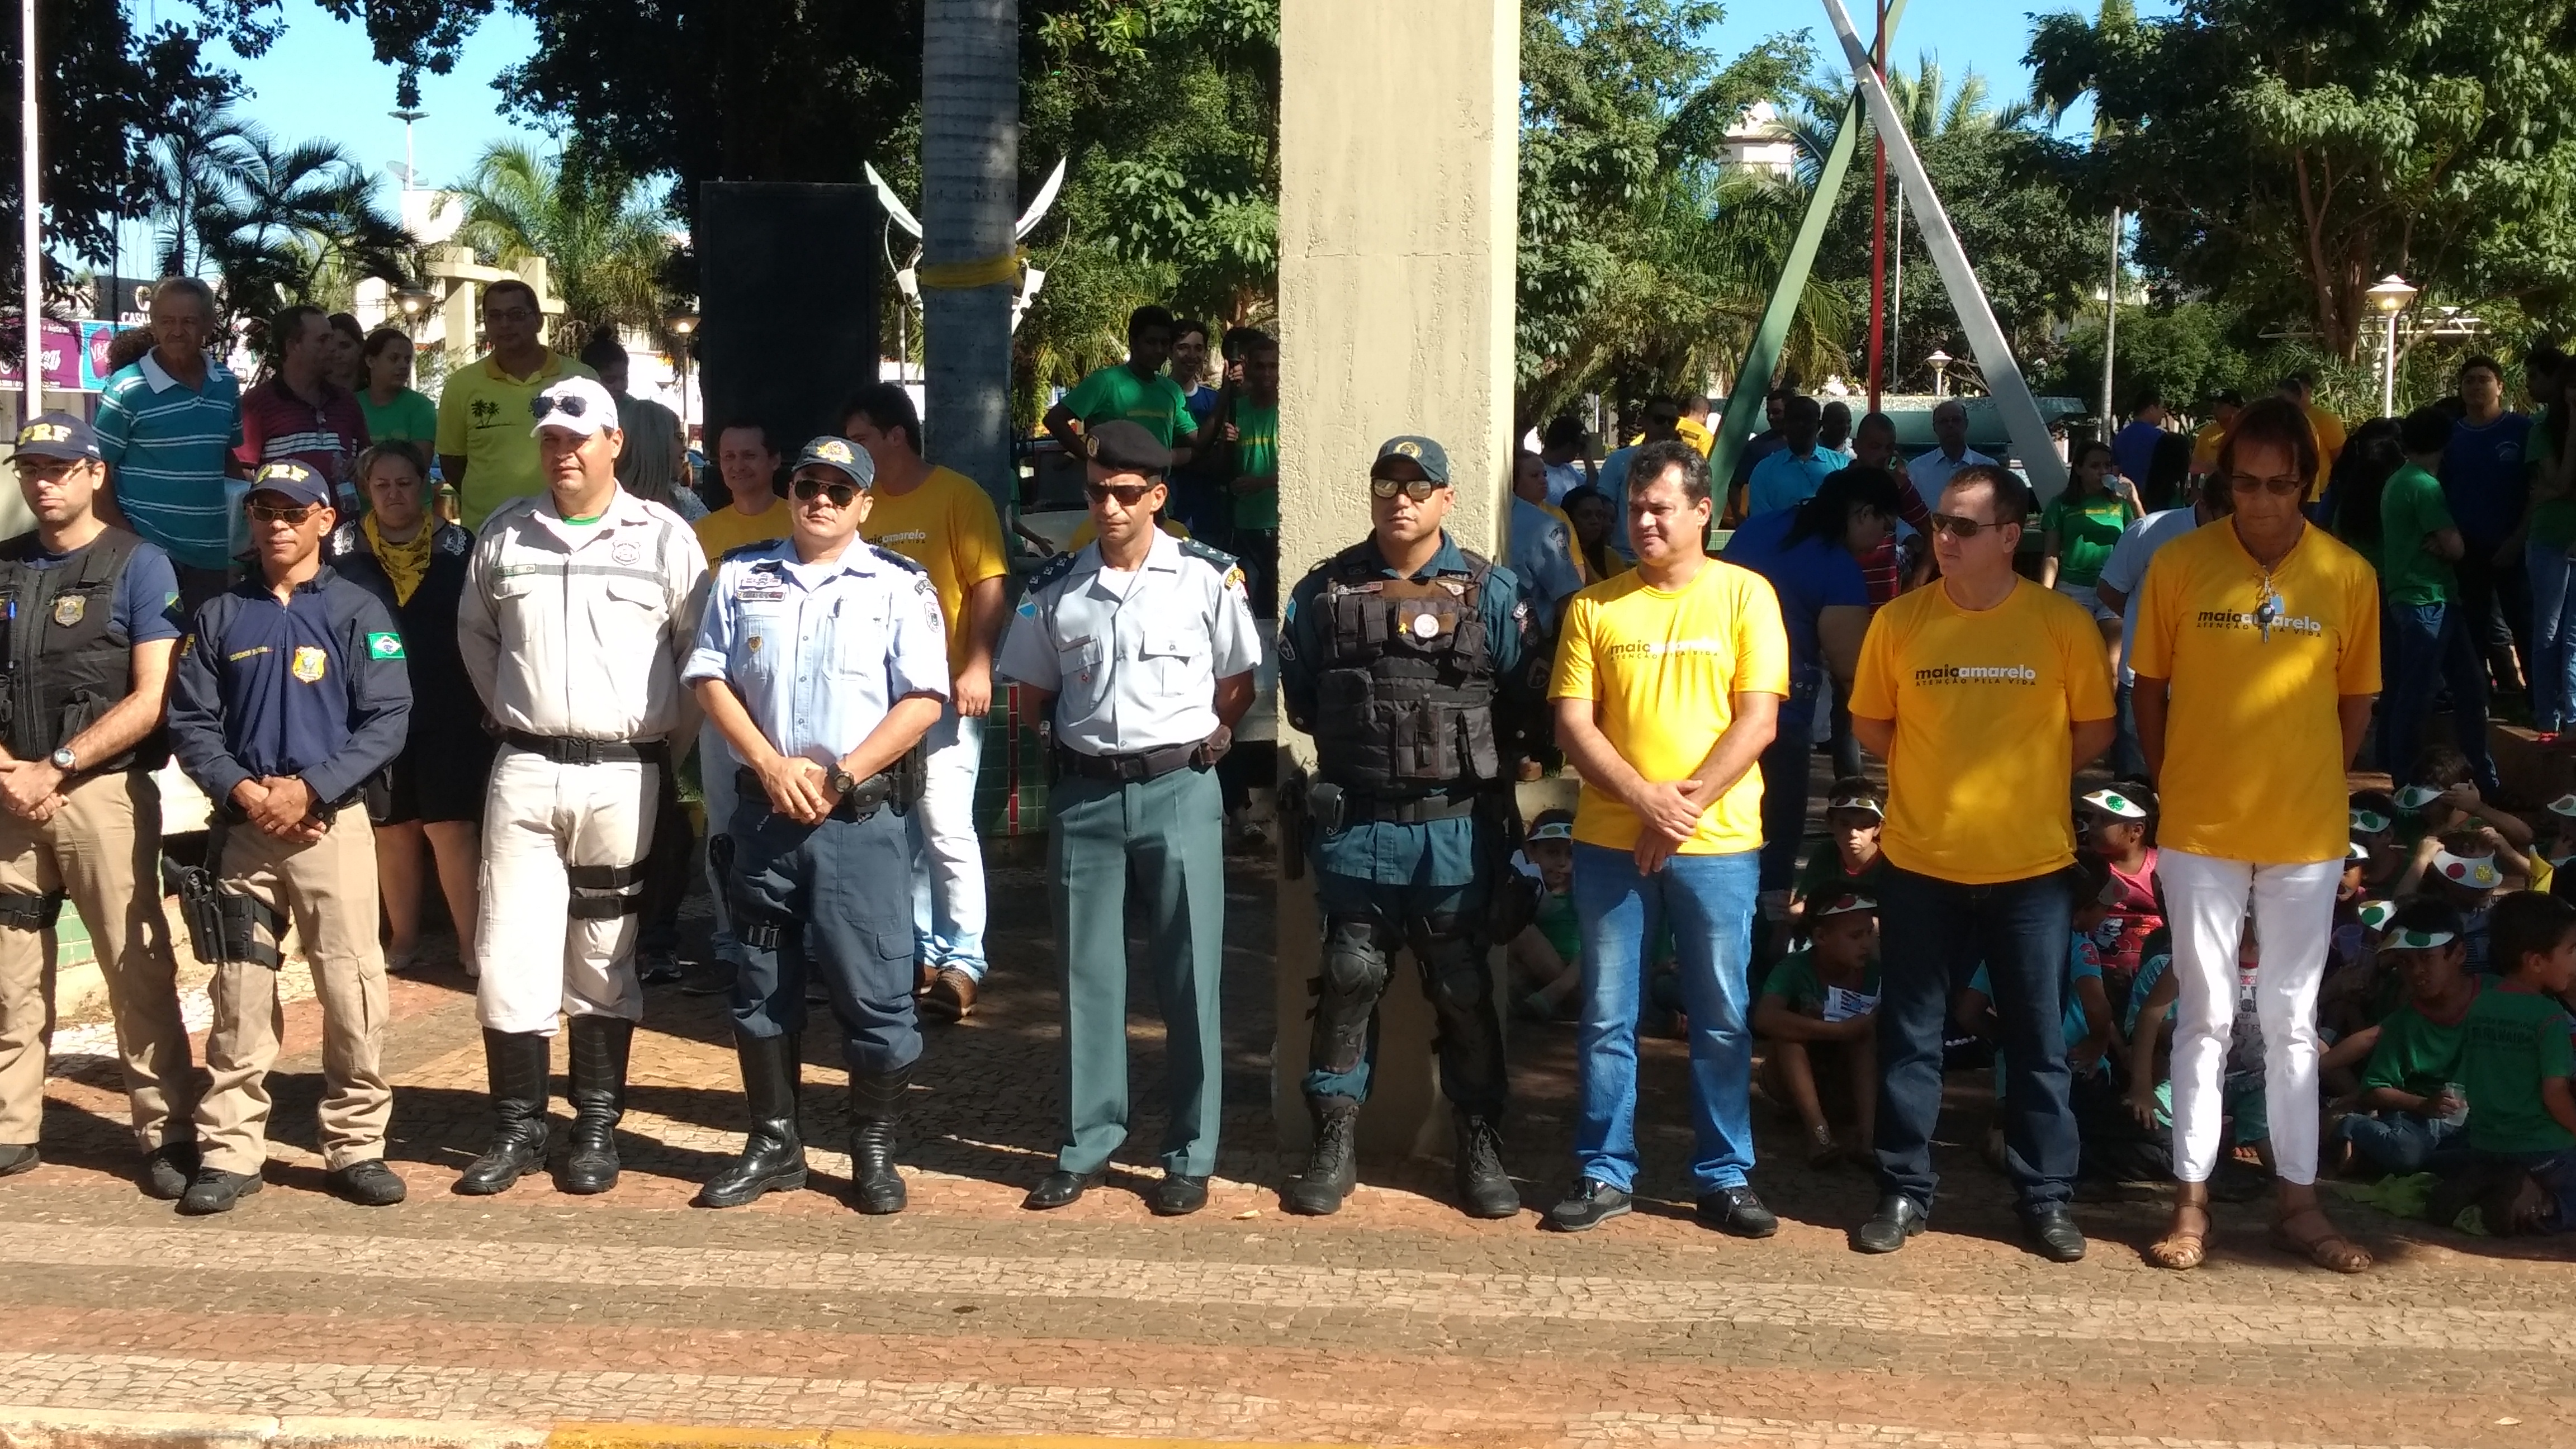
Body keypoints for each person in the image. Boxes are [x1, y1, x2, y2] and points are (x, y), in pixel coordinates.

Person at [2130, 395, 2381, 1274]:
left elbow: (2357, 700)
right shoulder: (2180, 564)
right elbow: (2148, 688)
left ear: (2309, 484)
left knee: (2290, 1017)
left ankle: (2298, 1204)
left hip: (2306, 832)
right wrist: (2173, 781)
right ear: (2222, 481)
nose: (2263, 502)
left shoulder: (2349, 574)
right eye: (2246, 483)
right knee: (2204, 1014)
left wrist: (2312, 774)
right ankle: (2190, 1204)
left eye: (2281, 485)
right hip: (2200, 826)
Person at [1847, 463, 2116, 1262]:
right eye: (1939, 523)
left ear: (2009, 536)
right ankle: (1903, 1188)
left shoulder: (2060, 624)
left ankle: (2046, 1196)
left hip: (2031, 870)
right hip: (1920, 863)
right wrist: (1940, 776)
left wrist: (2025, 780)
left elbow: (2094, 731)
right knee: (1911, 1036)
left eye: (1963, 526)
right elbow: (1872, 725)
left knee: (2035, 1039)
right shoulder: (1899, 622)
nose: (1944, 538)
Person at [452, 374, 709, 1197]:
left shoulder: (665, 540)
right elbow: (477, 637)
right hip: (525, 767)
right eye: (551, 442)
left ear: (614, 443)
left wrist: (658, 750)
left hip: (625, 775)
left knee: (605, 952)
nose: (562, 454)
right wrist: (515, 711)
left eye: (577, 439)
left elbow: (696, 658)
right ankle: (517, 1130)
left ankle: (595, 1128)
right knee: (508, 951)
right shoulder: (505, 532)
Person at [996, 420, 1260, 1216]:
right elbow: (1032, 694)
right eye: (1096, 493)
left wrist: (1208, 744)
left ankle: (1191, 1153)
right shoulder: (1056, 588)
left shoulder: (1207, 578)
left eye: (1123, 494)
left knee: (1190, 975)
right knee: (1087, 978)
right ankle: (1087, 1143)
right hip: (1086, 795)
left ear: (1157, 496)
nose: (1107, 508)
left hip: (1180, 786)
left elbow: (1238, 683)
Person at [1276, 434, 1538, 1220]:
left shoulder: (1492, 593)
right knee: (1349, 979)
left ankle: (1479, 1141)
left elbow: (1525, 704)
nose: (1402, 500)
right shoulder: (1324, 592)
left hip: (1456, 831)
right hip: (1358, 826)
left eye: (1419, 487)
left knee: (1462, 987)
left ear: (1446, 499)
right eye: (1388, 484)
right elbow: (1303, 699)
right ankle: (1334, 1141)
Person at [686, 435, 949, 1212]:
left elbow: (923, 700)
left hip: (856, 825)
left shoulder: (899, 584)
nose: (822, 501)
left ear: (865, 503)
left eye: (840, 489)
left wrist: (842, 776)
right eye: (809, 486)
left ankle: (874, 1150)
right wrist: (769, 765)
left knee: (876, 993)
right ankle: (775, 1145)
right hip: (765, 817)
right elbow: (709, 675)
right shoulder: (742, 576)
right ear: (791, 491)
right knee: (760, 985)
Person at [1543, 439, 1788, 1237]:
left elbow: (1758, 720)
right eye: (1634, 509)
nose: (1643, 522)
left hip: (1719, 845)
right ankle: (1604, 1169)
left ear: (1702, 512)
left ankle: (1724, 1175)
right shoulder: (1595, 607)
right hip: (1611, 843)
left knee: (1721, 1016)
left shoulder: (1747, 596)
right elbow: (1574, 726)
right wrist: (1645, 801)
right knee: (1608, 1015)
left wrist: (1677, 812)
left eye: (1660, 509)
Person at [165, 460, 411, 1214]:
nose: (276, 524)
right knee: (239, 995)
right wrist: (244, 791)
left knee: (352, 989)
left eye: (293, 512)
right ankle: (230, 1150)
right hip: (246, 835)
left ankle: (356, 1145)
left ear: (325, 521)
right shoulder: (221, 614)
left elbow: (388, 719)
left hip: (330, 827)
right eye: (264, 511)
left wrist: (312, 789)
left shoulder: (358, 609)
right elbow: (191, 723)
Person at [0, 414, 200, 1195]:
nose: (43, 482)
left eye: (59, 468)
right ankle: (12, 1125)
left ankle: (166, 1131)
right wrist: (11, 772)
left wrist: (57, 767)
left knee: (133, 964)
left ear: (94, 475)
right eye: (31, 469)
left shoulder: (139, 565)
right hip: (11, 796)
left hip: (100, 793)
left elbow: (153, 697)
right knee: (10, 970)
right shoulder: (5, 565)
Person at [841, 383, 1012, 1022]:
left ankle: (963, 958)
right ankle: (917, 953)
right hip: (875, 705)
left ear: (896, 436)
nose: (854, 453)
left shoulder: (959, 496)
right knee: (898, 831)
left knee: (944, 825)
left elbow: (989, 584)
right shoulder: (859, 506)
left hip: (944, 698)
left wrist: (978, 665)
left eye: (861, 439)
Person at [325, 442, 492, 975]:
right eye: (382, 486)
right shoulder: (341, 549)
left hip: (450, 706)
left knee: (451, 828)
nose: (394, 495)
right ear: (366, 490)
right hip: (374, 712)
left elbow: (487, 623)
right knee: (393, 829)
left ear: (424, 485)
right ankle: (403, 939)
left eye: (404, 484)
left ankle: (472, 945)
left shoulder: (462, 547)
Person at [1721, 466, 1895, 912]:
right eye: (1885, 526)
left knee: (1719, 829)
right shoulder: (1837, 568)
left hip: (1714, 700)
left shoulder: (1758, 528)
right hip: (1781, 711)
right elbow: (1851, 666)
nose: (1882, 541)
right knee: (1776, 834)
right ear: (1864, 514)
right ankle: (1767, 934)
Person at [94, 278, 245, 605]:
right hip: (148, 556)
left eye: (189, 321)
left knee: (208, 638)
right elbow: (96, 473)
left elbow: (224, 457)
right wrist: (128, 541)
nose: (177, 331)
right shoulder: (126, 388)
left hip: (213, 561)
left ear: (208, 324)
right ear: (153, 323)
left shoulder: (226, 384)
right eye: (167, 321)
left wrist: (245, 532)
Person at [2435, 889, 2576, 1235]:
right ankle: (2537, 1207)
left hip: (2486, 1143)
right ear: (2536, 962)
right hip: (2544, 1149)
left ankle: (2485, 1188)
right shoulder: (2550, 1018)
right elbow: (2555, 1094)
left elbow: (2472, 1075)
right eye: (2571, 951)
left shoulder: (2481, 1006)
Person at [2379, 406, 2498, 793]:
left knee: (2463, 687)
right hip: (2426, 600)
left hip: (2424, 598)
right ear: (2444, 443)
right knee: (2423, 695)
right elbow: (2455, 547)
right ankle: (2409, 785)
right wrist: (2450, 543)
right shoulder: (2424, 486)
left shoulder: (2398, 480)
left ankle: (2477, 776)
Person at [2329, 898, 2476, 1178]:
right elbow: (2374, 1088)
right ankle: (2349, 1125)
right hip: (2417, 1115)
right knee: (2407, 1154)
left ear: (2458, 954)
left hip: (2477, 1119)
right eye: (2406, 962)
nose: (2416, 971)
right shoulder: (2404, 1022)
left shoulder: (2495, 1001)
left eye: (2427, 958)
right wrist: (2425, 1105)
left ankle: (2374, 1152)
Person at [435, 280, 598, 532]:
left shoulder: (581, 379)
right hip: (487, 533)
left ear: (538, 321)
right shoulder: (461, 385)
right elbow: (452, 463)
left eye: (516, 315)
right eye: (495, 316)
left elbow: (600, 451)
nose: (505, 325)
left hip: (569, 529)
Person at [2095, 476, 2226, 779]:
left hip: (2201, 690)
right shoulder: (2151, 530)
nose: (2229, 527)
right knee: (2136, 789)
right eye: (2222, 518)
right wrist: (2150, 628)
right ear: (2204, 504)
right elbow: (2109, 590)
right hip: (2140, 682)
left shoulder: (2239, 543)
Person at [1754, 893, 1880, 1166]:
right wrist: (1836, 1030)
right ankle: (1818, 1133)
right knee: (1788, 1034)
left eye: (1869, 933)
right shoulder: (1794, 969)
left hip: (1845, 1084)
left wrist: (1854, 1030)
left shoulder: (1876, 973)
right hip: (1787, 1084)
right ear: (1821, 937)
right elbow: (1765, 1017)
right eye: (1855, 936)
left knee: (1865, 1035)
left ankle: (1868, 1138)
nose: (1866, 944)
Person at [2442, 354, 2535, 697]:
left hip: (2515, 546)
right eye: (2469, 381)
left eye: (2484, 380)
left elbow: (2537, 490)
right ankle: (2478, 697)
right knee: (2472, 627)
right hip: (2468, 550)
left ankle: (2536, 699)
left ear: (2500, 387)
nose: (2476, 387)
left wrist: (2518, 539)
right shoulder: (2452, 436)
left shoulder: (2522, 430)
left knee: (2525, 624)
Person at [237, 306, 369, 504]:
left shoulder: (346, 402)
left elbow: (368, 457)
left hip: (343, 521)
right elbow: (243, 475)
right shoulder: (257, 405)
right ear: (293, 346)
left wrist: (362, 464)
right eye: (323, 340)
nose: (333, 348)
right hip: (286, 522)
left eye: (332, 338)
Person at [1042, 305, 1199, 460]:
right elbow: (1054, 420)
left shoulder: (1172, 390)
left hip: (1158, 478)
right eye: (1151, 342)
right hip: (1111, 477)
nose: (1159, 350)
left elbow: (1197, 441)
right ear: (1133, 342)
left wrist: (1216, 411)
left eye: (1164, 343)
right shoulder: (1105, 382)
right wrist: (1091, 459)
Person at [581, 331, 700, 522]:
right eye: (610, 379)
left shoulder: (636, 412)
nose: (620, 386)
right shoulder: (577, 414)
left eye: (624, 378)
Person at [2520, 357, 2576, 742]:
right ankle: (2547, 718)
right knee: (2549, 632)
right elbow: (2560, 481)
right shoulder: (2542, 429)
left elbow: (2555, 489)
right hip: (2548, 540)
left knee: (2573, 636)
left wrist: (2553, 492)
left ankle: (2573, 717)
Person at [2039, 440, 2139, 631]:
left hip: (2112, 586)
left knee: (2114, 645)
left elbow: (2145, 537)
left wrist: (2135, 502)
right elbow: (2051, 554)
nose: (2103, 472)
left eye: (2107, 465)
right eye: (2095, 466)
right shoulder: (2061, 504)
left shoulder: (2120, 504)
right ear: (2078, 469)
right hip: (2074, 588)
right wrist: (2045, 594)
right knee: (2078, 642)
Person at [1215, 334, 1282, 615]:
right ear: (1249, 368)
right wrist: (1226, 443)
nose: (1266, 373)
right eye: (1260, 366)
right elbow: (1221, 469)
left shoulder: (1289, 411)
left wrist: (1261, 483)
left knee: (1277, 601)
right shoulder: (1237, 410)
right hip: (1244, 525)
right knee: (1248, 605)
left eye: (1273, 366)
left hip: (1278, 524)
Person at [1847, 412, 1933, 603]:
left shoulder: (1898, 486)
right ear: (1856, 446)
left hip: (1887, 605)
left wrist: (1915, 585)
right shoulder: (1838, 485)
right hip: (1844, 601)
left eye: (1890, 448)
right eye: (1875, 447)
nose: (1884, 455)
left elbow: (1933, 533)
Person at [1509, 451, 1588, 636]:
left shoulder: (1550, 524)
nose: (1543, 481)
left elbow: (1568, 592)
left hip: (1536, 637)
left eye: (1544, 474)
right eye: (1534, 476)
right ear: (1513, 480)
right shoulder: (1504, 517)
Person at [694, 418, 788, 557]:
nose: (738, 467)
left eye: (749, 456)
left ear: (775, 461)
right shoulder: (700, 534)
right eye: (729, 457)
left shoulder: (802, 525)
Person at [1744, 396, 1850, 517]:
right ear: (1785, 425)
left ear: (1819, 425)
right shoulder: (1764, 471)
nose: (1801, 426)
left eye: (1807, 420)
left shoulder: (1842, 466)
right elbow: (1761, 521)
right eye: (1795, 420)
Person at [2324, 418, 2403, 577]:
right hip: (2393, 578)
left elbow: (2334, 534)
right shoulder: (2399, 494)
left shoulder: (2347, 492)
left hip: (2356, 574)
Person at [1598, 397, 1684, 519]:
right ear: (1644, 421)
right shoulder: (1618, 460)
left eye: (1672, 421)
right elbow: (1604, 506)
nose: (1666, 426)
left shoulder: (1683, 465)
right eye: (1659, 419)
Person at [355, 329, 437, 451]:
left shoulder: (421, 406)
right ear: (370, 361)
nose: (403, 366)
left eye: (407, 360)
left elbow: (420, 460)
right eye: (394, 358)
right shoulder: (351, 404)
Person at [2277, 373, 2347, 506]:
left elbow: (2340, 457)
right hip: (2290, 490)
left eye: (2297, 387)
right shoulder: (2284, 420)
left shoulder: (2324, 418)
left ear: (2307, 391)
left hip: (2319, 494)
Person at [1907, 399, 1997, 502]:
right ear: (1935, 428)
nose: (1950, 425)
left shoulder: (1989, 469)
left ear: (1966, 424)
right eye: (1943, 421)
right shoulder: (1916, 470)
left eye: (1956, 420)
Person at [1560, 485, 1621, 583]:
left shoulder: (1611, 556)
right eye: (1586, 515)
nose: (1595, 521)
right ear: (1569, 518)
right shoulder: (1563, 557)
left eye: (1600, 515)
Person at [2112, 390, 2168, 494]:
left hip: (2127, 496)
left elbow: (2115, 472)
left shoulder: (2120, 437)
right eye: (2162, 408)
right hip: (2156, 496)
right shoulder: (2161, 437)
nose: (2163, 412)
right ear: (2151, 409)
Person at [1538, 416, 1596, 504]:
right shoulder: (1536, 473)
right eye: (1581, 445)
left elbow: (1591, 490)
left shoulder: (1569, 470)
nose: (1581, 450)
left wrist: (1588, 459)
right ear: (1568, 446)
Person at [2187, 390, 2242, 482]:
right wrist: (2195, 489)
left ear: (2234, 409)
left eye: (2219, 406)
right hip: (2213, 488)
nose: (2214, 411)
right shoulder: (2206, 432)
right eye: (2214, 406)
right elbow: (2196, 465)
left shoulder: (2246, 432)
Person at [325, 313, 366, 392]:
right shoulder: (310, 395)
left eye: (345, 346)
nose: (337, 355)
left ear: (361, 347)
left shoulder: (376, 393)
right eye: (331, 348)